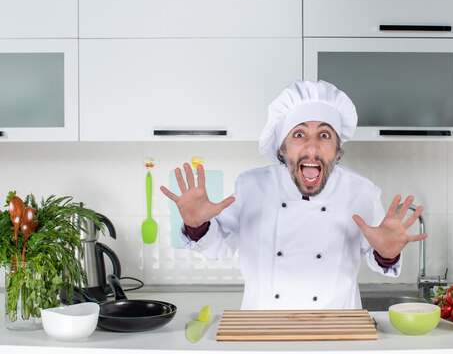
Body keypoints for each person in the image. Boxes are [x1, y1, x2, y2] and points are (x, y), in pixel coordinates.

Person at [160, 80, 427, 309]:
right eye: (299, 134)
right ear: (282, 149)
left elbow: (379, 255)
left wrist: (387, 254)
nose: (312, 146)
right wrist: (197, 226)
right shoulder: (251, 186)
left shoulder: (361, 191)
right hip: (264, 334)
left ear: (337, 150)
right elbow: (218, 248)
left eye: (324, 135)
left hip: (335, 333)